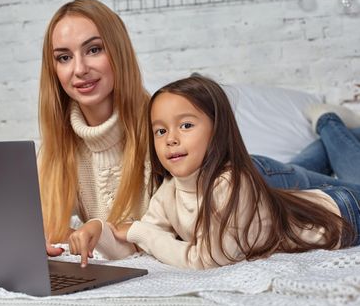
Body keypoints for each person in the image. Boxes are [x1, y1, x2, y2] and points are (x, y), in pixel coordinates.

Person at [94, 74, 360, 269]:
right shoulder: (170, 190)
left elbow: (207, 259)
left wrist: (139, 232)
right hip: (313, 201)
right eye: (160, 131)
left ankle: (328, 121)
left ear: (217, 129)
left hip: (342, 215)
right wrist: (98, 234)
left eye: (185, 125)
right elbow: (138, 245)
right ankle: (332, 127)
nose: (170, 139)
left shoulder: (230, 183)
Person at [38, 0, 153, 262]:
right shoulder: (57, 148)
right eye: (64, 57)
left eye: (94, 50)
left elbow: (172, 235)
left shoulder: (161, 132)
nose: (79, 69)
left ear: (118, 52)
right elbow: (49, 228)